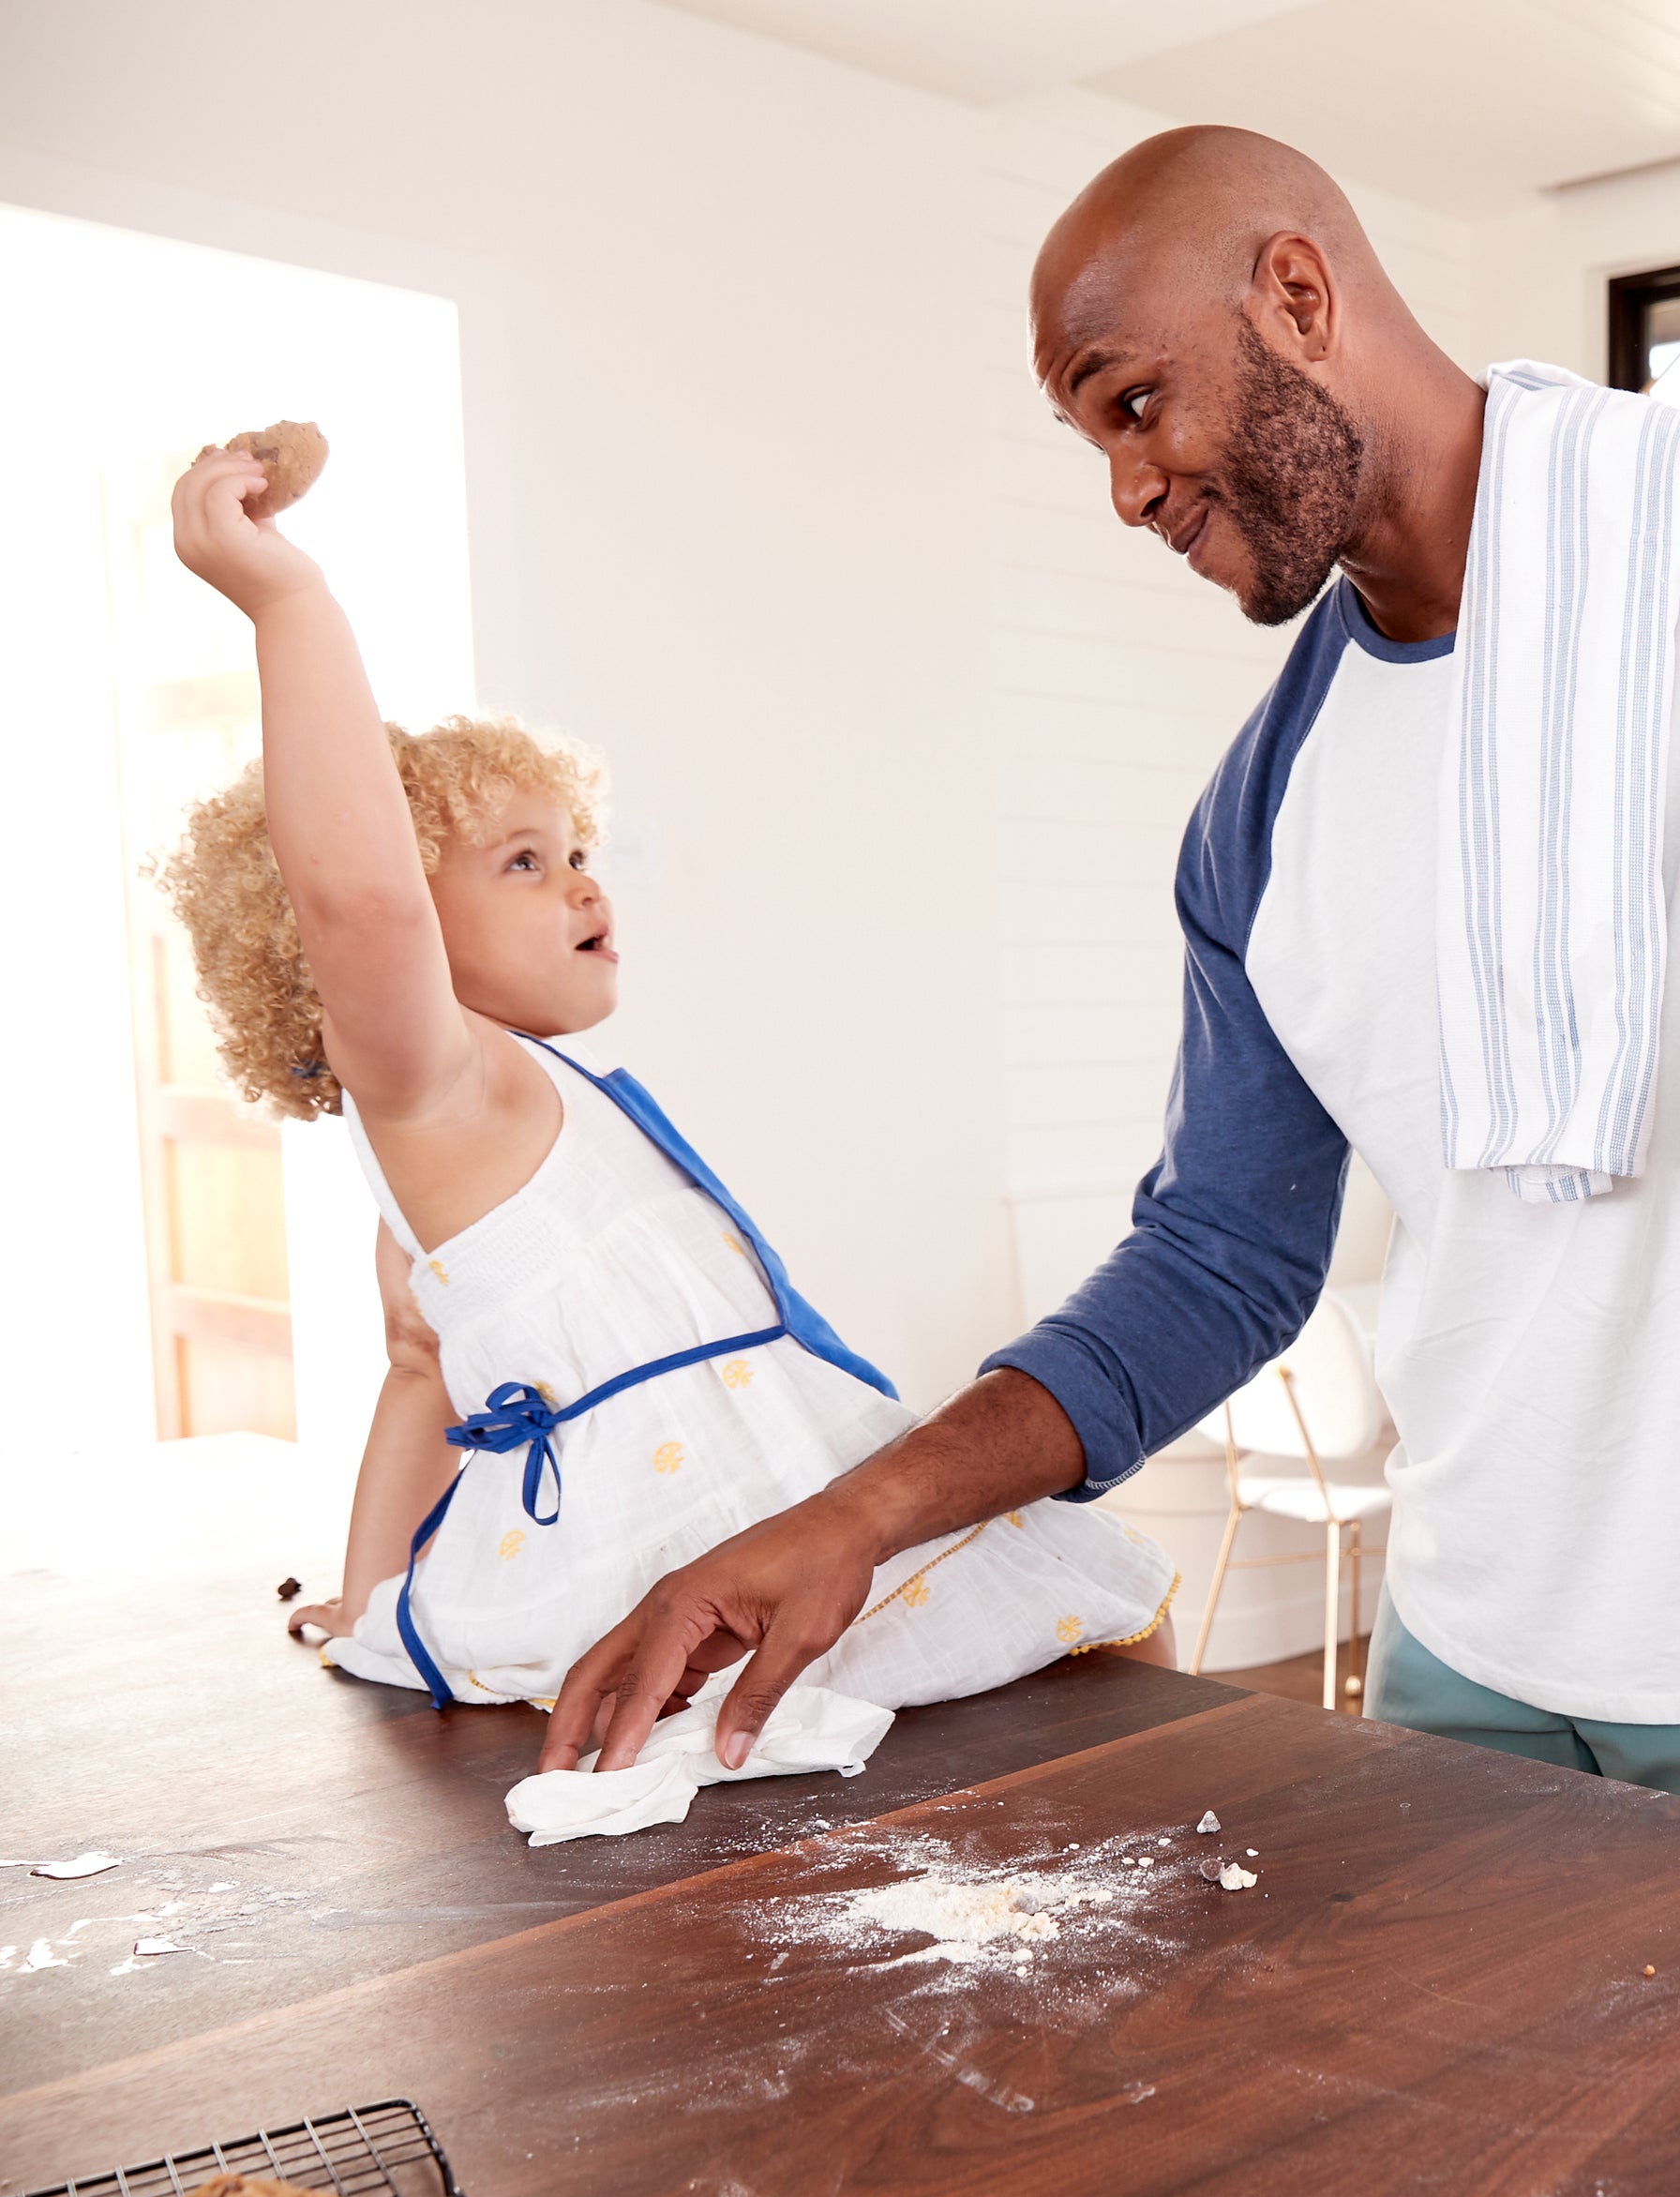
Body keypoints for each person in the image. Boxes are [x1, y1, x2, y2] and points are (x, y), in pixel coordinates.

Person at [538, 127, 1680, 1841]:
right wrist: (853, 1521)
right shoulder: (1260, 811)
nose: (1125, 490)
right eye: (1092, 437)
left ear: (1296, 297)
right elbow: (1219, 1260)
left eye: (1133, 402)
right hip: (1455, 1663)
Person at [158, 443, 1171, 1714]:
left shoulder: (504, 1118)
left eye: (576, 848)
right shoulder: (440, 1090)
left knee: (1107, 1640)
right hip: (672, 1548)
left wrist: (369, 1606)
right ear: (405, 920)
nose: (585, 881)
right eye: (523, 863)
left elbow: (420, 1369)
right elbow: (355, 899)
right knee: (1097, 1652)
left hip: (779, 1506)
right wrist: (288, 602)